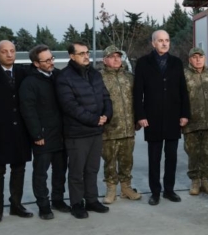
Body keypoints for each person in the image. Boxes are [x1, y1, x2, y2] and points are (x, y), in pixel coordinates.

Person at [56, 41, 113, 218]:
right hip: (77, 133)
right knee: (76, 172)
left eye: (87, 52)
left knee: (92, 169)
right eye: (81, 53)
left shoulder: (95, 74)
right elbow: (70, 106)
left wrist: (106, 115)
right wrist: (95, 119)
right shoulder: (64, 77)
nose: (86, 55)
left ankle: (91, 200)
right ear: (72, 56)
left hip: (96, 131)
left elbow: (106, 97)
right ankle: (76, 203)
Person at [134, 30, 190, 206]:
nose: (164, 43)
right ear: (153, 43)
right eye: (160, 41)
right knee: (154, 157)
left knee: (172, 156)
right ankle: (155, 192)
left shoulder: (176, 62)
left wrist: (184, 114)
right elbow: (137, 93)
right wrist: (140, 115)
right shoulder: (143, 63)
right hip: (153, 117)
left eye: (167, 40)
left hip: (174, 117)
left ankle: (169, 190)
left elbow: (183, 90)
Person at [0, 40, 33, 224]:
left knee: (19, 169)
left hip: (20, 131)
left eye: (12, 51)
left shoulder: (23, 72)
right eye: (5, 51)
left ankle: (16, 205)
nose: (9, 54)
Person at [19, 45, 70, 220]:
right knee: (41, 173)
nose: (51, 63)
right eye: (46, 60)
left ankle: (58, 199)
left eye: (52, 58)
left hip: (61, 134)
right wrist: (37, 135)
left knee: (60, 170)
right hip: (43, 136)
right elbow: (28, 110)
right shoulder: (29, 83)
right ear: (35, 63)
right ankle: (43, 205)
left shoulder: (58, 76)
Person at [100, 45, 141, 204]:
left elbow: (137, 100)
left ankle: (126, 188)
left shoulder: (129, 77)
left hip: (128, 127)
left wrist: (137, 118)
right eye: (112, 56)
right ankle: (111, 189)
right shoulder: (99, 78)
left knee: (127, 160)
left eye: (118, 56)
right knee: (110, 161)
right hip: (109, 129)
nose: (116, 59)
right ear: (105, 60)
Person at [183, 47, 208, 195]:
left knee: (207, 152)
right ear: (189, 59)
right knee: (193, 152)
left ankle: (206, 180)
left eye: (200, 56)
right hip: (191, 122)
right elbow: (179, 99)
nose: (198, 59)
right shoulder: (183, 76)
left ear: (205, 58)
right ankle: (195, 181)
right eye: (194, 57)